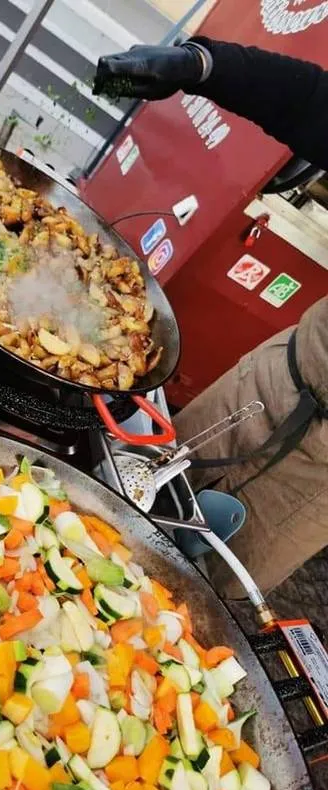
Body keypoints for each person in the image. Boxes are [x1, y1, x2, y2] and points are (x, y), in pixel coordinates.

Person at [93, 38, 328, 599]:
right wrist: (202, 65)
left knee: (184, 594)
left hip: (316, 484)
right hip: (281, 374)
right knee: (111, 499)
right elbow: (314, 102)